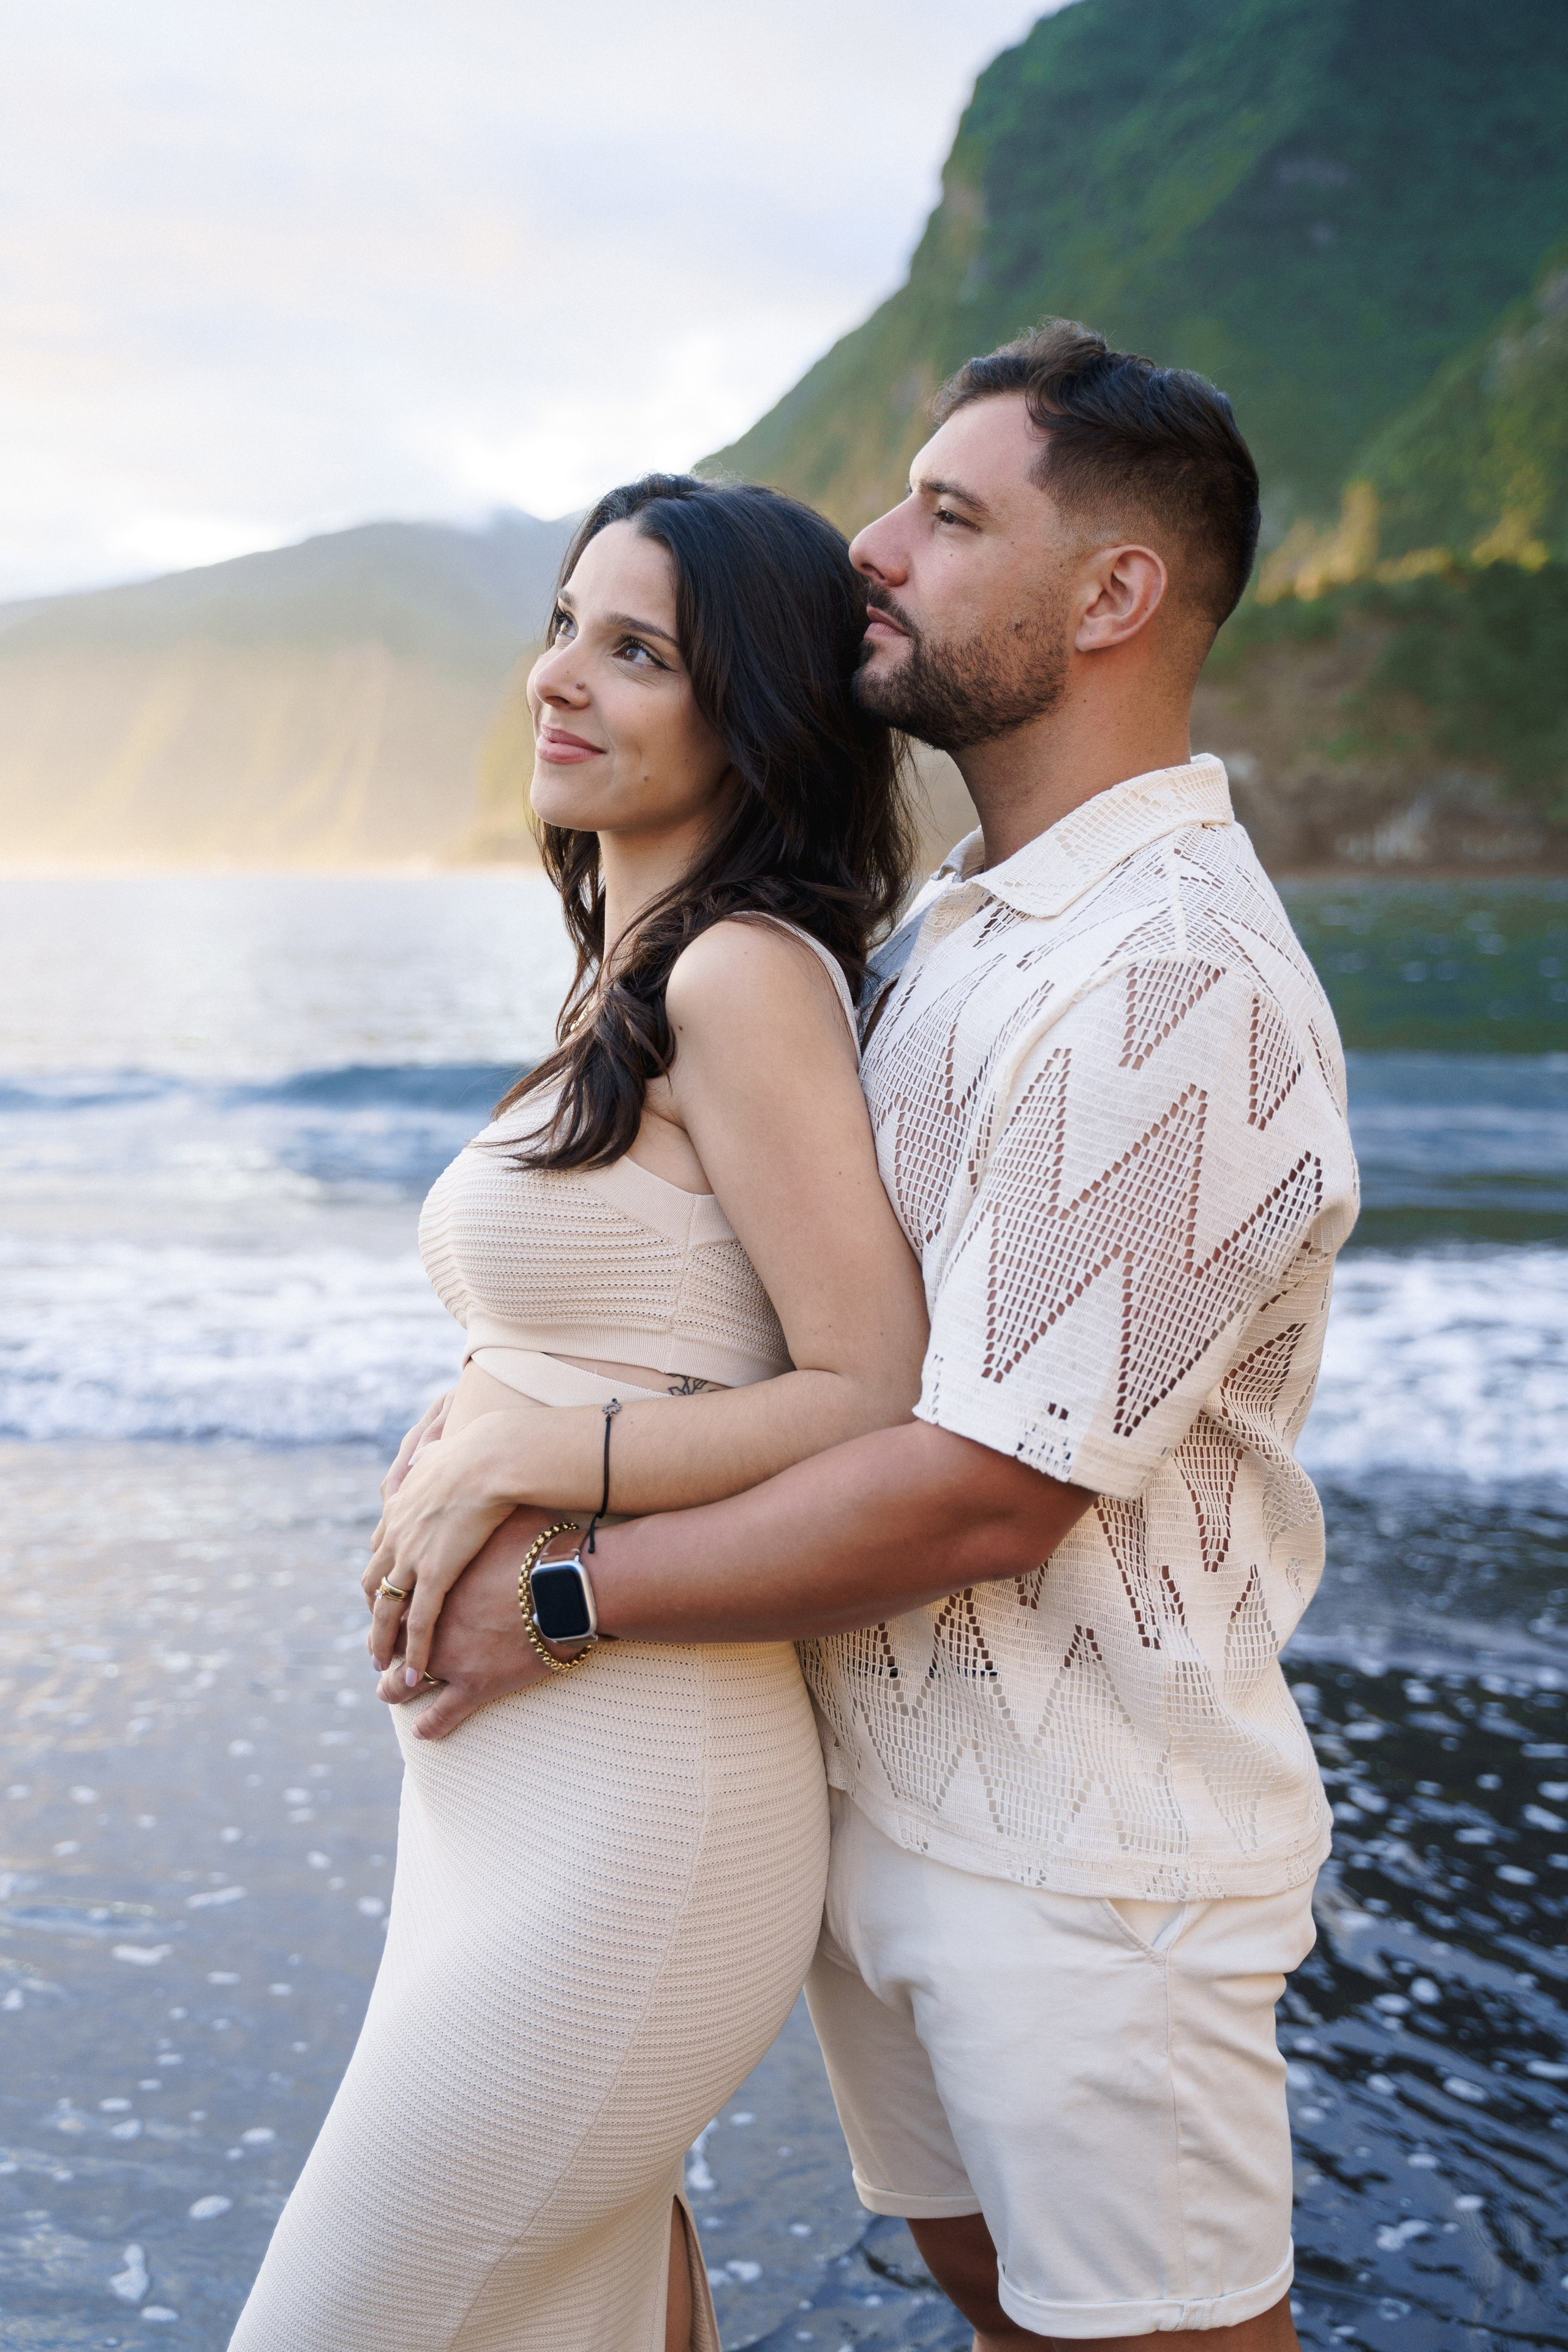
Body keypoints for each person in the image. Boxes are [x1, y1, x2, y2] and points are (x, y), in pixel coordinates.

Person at [386, 322, 1360, 2352]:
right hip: (882, 1803)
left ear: (1112, 595)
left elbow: (985, 1482)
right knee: (999, 2316)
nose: (873, 547)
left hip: (1093, 1863)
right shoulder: (959, 940)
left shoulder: (1171, 981)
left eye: (948, 511)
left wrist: (561, 1593)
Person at [228, 473, 930, 2352]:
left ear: (753, 713)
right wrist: (474, 1422)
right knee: (582, 2316)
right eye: (565, 623)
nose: (564, 678)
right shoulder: (626, 974)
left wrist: (541, 1456)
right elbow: (630, 1312)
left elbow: (871, 1391)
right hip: (505, 1802)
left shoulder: (741, 974)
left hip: (647, 1788)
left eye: (639, 652)